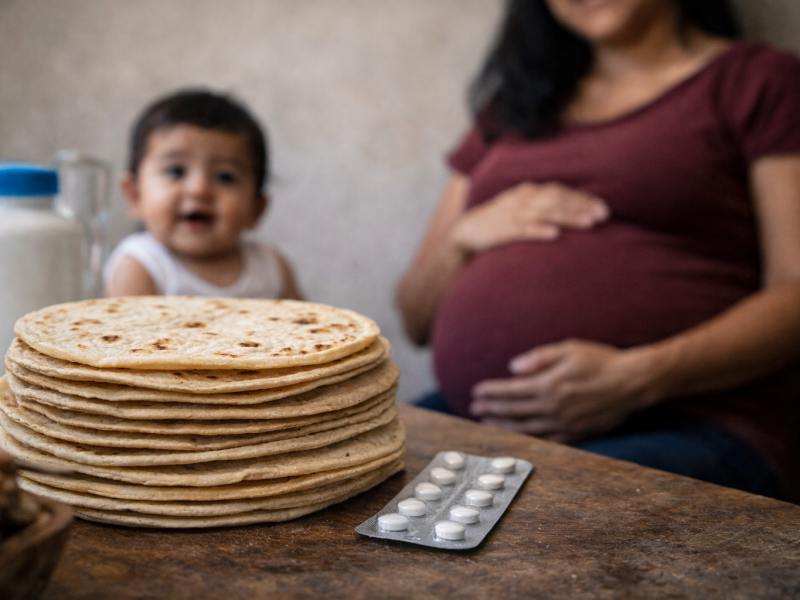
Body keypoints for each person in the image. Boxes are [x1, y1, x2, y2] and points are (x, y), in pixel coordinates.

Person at [397, 0, 800, 498]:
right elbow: (413, 318)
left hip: (688, 422)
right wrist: (463, 238)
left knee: (531, 525)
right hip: (479, 419)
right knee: (338, 479)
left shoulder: (758, 81)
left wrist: (641, 377)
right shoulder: (513, 109)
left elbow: (795, 289)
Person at [104, 89, 302, 299]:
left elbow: (308, 327)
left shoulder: (271, 266)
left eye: (225, 177)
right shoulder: (140, 265)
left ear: (257, 209)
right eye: (175, 171)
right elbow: (128, 331)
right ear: (135, 196)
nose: (199, 189)